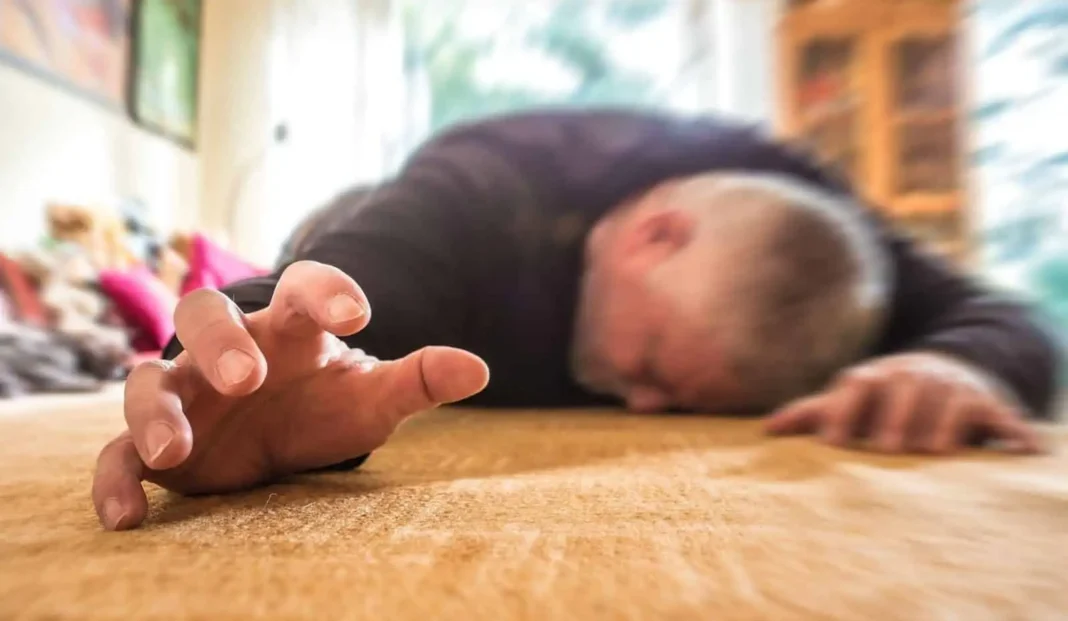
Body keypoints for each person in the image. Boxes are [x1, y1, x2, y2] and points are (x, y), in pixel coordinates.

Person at [92, 108, 1062, 531]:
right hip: (363, 222)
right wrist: (216, 373)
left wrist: (963, 367)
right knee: (311, 262)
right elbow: (336, 294)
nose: (638, 408)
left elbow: (1004, 321)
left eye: (680, 405)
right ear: (657, 236)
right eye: (651, 363)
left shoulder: (820, 230)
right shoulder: (491, 192)